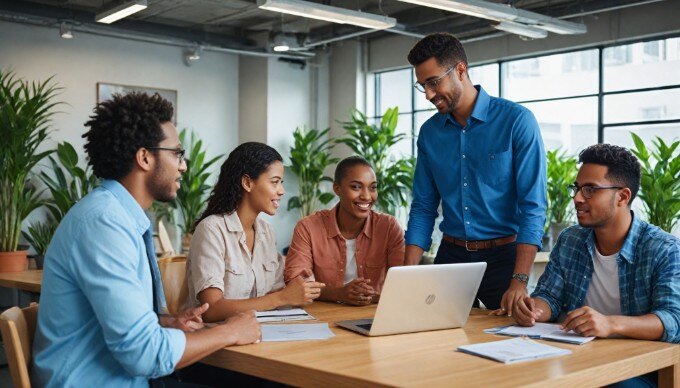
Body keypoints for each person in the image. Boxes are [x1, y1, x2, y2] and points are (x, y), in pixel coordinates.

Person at [32, 92, 261, 387]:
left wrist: (165, 323)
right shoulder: (105, 224)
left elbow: (112, 323)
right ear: (144, 157)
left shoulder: (118, 216)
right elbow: (144, 355)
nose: (183, 166)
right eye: (177, 153)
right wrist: (230, 332)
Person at [512, 144, 680, 387]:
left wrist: (609, 323)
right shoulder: (570, 239)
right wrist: (532, 309)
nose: (577, 198)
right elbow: (550, 296)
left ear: (623, 196)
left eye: (590, 189)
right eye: (578, 188)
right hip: (578, 358)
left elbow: (673, 320)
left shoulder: (663, 249)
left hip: (640, 369)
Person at [404, 32, 547, 311]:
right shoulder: (430, 133)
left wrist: (519, 279)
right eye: (423, 86)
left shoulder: (517, 121)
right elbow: (423, 207)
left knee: (509, 342)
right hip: (451, 257)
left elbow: (533, 206)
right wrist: (407, 275)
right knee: (431, 340)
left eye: (434, 82)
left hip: (505, 258)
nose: (429, 94)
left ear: (460, 70)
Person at [185, 142, 325, 322]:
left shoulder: (266, 232)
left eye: (281, 183)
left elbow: (275, 294)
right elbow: (211, 310)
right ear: (247, 183)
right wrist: (282, 297)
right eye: (275, 182)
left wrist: (300, 290)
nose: (281, 191)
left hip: (260, 332)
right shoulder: (211, 230)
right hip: (219, 338)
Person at [284, 156, 405, 305]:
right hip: (324, 314)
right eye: (356, 187)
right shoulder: (308, 227)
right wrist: (339, 294)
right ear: (337, 188)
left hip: (374, 315)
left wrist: (370, 297)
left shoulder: (388, 227)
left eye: (373, 187)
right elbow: (297, 285)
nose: (367, 196)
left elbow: (402, 282)